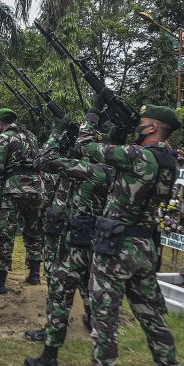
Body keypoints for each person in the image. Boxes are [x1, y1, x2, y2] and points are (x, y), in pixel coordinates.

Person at [75, 99, 179, 365]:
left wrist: (94, 114)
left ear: (154, 127)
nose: (138, 127)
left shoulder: (136, 155)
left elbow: (85, 147)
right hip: (144, 246)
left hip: (115, 247)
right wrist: (119, 134)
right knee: (153, 318)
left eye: (142, 125)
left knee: (104, 320)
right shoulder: (169, 162)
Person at [26, 116, 112, 365]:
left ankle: (50, 351)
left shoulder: (87, 170)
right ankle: (91, 320)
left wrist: (57, 131)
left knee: (59, 292)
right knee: (89, 283)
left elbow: (43, 159)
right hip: (94, 236)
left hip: (71, 239)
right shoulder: (110, 169)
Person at [0, 108, 45, 295]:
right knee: (33, 231)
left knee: (4, 233)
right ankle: (34, 274)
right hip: (36, 188)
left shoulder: (5, 138)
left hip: (13, 189)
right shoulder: (31, 136)